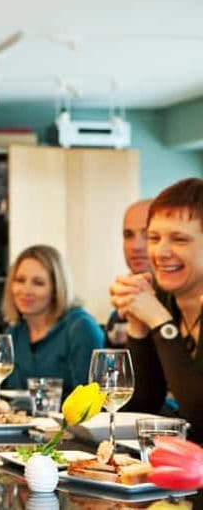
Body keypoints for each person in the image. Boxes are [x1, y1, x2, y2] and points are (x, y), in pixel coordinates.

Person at [109, 177, 203, 443]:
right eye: (154, 237)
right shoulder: (163, 297)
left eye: (179, 240)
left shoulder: (161, 310)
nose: (160, 252)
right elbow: (142, 405)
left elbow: (200, 414)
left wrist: (161, 323)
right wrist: (138, 326)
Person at [1, 245, 105, 397]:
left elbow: (90, 402)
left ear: (57, 289)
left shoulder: (81, 328)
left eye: (38, 283)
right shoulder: (13, 333)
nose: (26, 290)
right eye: (20, 280)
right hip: (22, 420)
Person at [105, 199, 152, 347]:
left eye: (149, 235)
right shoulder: (118, 314)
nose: (136, 246)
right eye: (128, 235)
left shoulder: (182, 306)